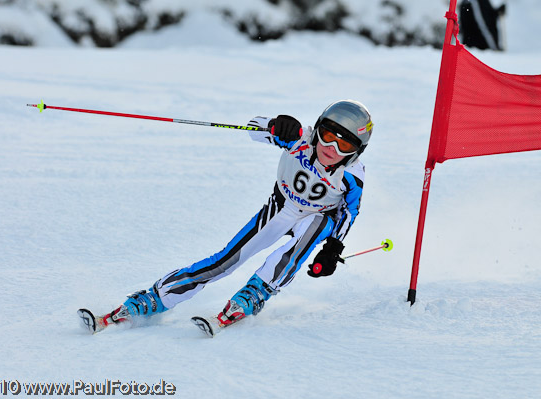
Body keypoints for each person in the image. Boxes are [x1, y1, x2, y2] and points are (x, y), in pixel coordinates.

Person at [83, 100, 373, 334]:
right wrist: (276, 125)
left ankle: (255, 293)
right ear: (318, 128)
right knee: (226, 260)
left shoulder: (352, 176)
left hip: (318, 217)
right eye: (327, 136)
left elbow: (349, 210)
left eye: (344, 145)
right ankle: (157, 297)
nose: (331, 149)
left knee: (295, 248)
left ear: (356, 151)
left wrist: (334, 247)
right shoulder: (300, 139)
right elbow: (251, 128)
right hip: (281, 206)